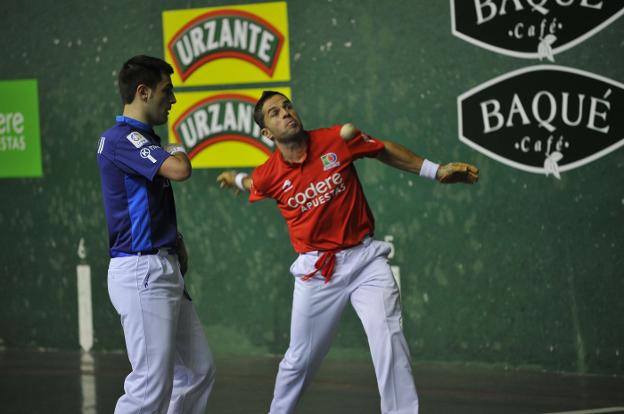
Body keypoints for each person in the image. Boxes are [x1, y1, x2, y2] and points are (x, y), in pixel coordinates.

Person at [216, 90, 479, 414]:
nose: (285, 113)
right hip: (317, 272)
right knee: (299, 359)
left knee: (389, 340)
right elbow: (253, 183)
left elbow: (382, 150)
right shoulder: (270, 174)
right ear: (267, 133)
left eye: (287, 106)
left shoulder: (335, 140)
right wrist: (235, 177)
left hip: (365, 261)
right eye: (274, 113)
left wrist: (435, 170)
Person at [97, 55, 215, 414]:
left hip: (162, 267)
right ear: (143, 92)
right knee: (150, 386)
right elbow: (179, 169)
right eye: (168, 91)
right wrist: (176, 147)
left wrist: (174, 242)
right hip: (141, 271)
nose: (174, 99)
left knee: (198, 371)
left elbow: (145, 203)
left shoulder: (145, 141)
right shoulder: (122, 138)